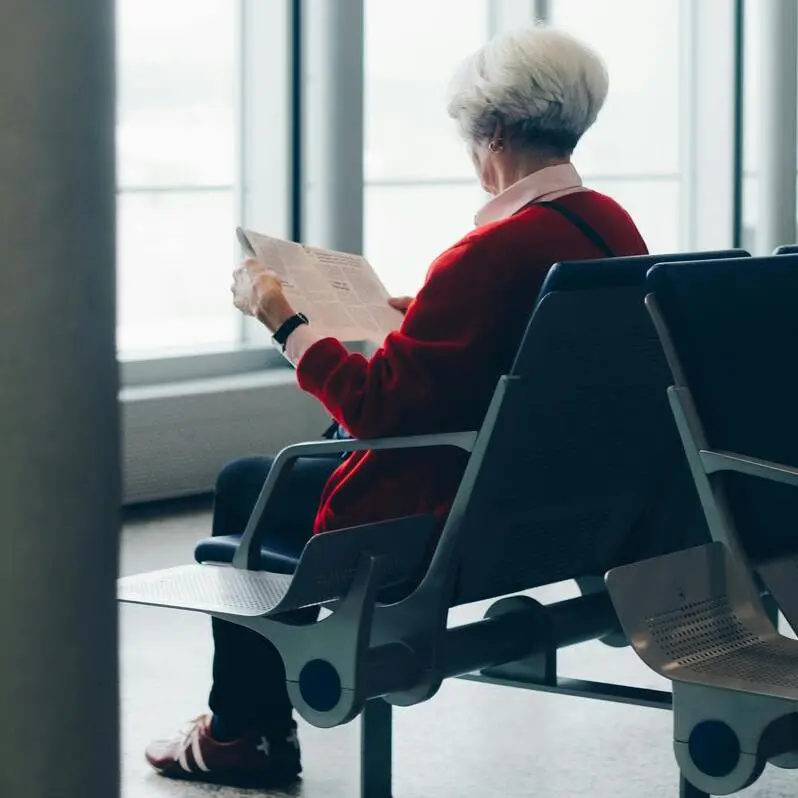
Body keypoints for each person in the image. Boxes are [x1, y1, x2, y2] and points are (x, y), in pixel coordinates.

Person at [145, 23, 648, 787]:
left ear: (499, 131)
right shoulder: (610, 228)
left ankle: (240, 732)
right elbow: (521, 346)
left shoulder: (487, 253)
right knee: (280, 472)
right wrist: (421, 317)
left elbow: (379, 409)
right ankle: (239, 726)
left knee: (251, 484)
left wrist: (284, 320)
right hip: (559, 512)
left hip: (448, 518)